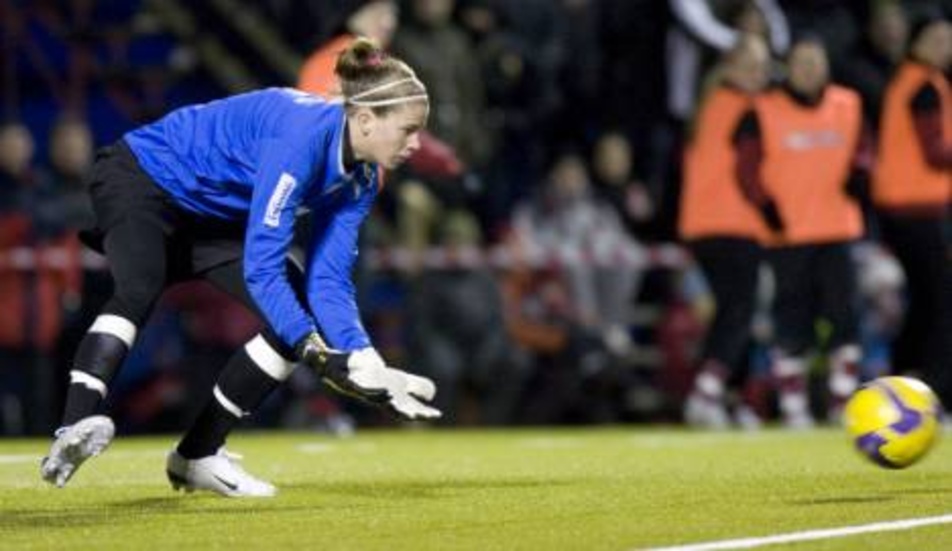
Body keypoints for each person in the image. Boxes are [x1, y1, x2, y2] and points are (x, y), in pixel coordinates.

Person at [40, 38, 441, 498]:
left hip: (208, 214)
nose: (415, 144)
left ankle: (197, 455)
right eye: (408, 130)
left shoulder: (363, 178)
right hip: (143, 177)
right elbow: (261, 268)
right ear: (366, 119)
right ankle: (72, 427)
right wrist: (314, 351)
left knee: (297, 306)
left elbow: (328, 280)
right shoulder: (302, 141)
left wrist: (364, 359)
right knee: (140, 287)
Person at [739, 36, 868, 427]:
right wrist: (766, 208)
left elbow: (865, 150)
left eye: (815, 62)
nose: (809, 70)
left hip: (837, 229)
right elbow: (745, 168)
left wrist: (861, 175)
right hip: (788, 235)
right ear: (788, 68)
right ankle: (794, 407)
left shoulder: (848, 104)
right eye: (802, 63)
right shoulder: (763, 110)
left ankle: (843, 404)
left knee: (843, 318)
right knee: (791, 321)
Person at [678, 34, 773, 429]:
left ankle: (725, 397)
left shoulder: (709, 106)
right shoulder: (747, 109)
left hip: (700, 225)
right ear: (731, 68)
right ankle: (707, 393)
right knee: (739, 311)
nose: (760, 75)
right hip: (735, 224)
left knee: (730, 313)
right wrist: (774, 213)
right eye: (752, 66)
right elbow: (749, 174)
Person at [871, 12, 951, 407]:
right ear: (915, 43)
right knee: (941, 302)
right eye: (935, 39)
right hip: (918, 209)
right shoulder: (925, 86)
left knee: (925, 300)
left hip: (901, 208)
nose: (944, 47)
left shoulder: (906, 80)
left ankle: (896, 386)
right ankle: (937, 394)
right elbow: (935, 151)